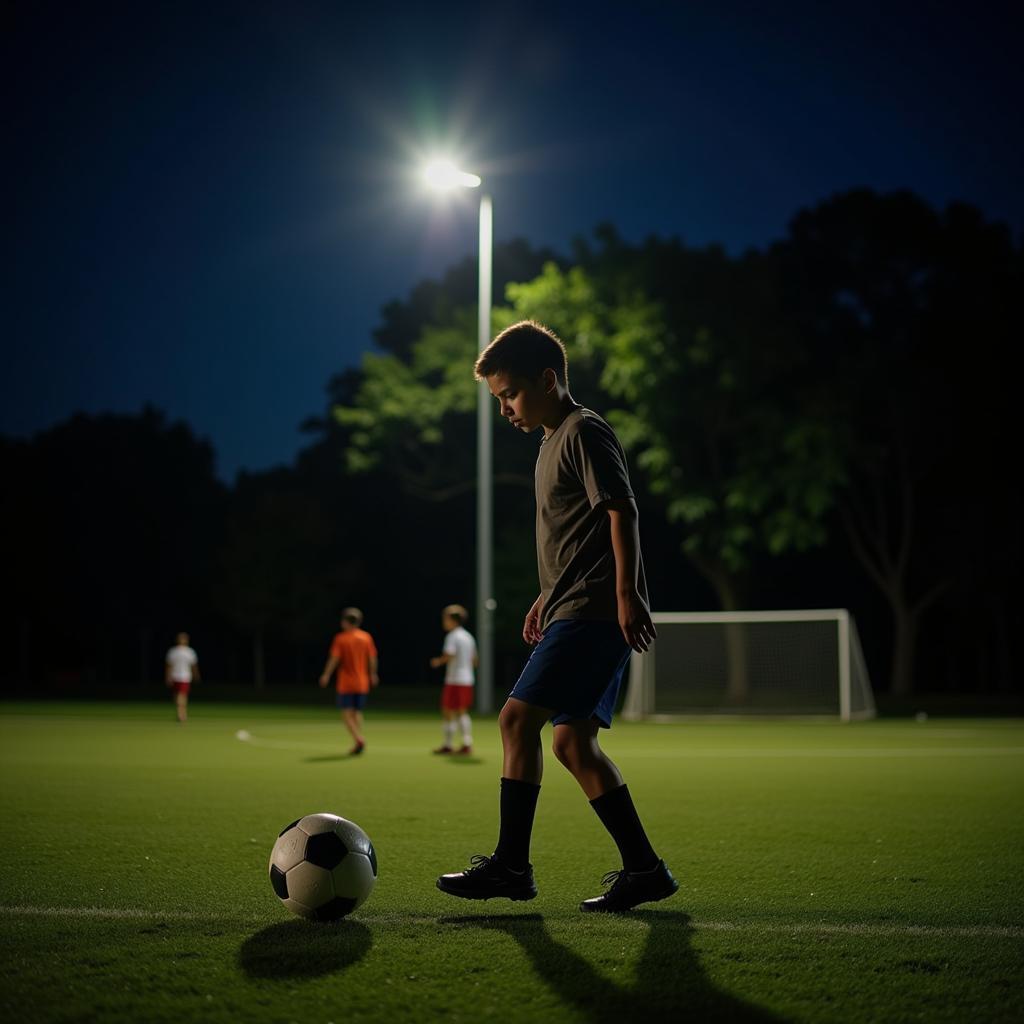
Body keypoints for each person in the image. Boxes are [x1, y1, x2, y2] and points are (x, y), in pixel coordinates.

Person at [437, 320, 677, 913]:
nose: (505, 410)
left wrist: (626, 594)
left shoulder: (584, 430)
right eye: (498, 400)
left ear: (547, 379)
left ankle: (511, 868)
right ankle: (645, 870)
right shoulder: (549, 442)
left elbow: (621, 512)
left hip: (595, 612)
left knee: (517, 721)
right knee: (573, 743)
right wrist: (548, 595)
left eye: (510, 395)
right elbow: (579, 533)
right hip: (572, 605)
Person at [319, 608, 379, 755]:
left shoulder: (341, 639)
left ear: (346, 622)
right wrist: (373, 674)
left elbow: (334, 658)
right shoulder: (366, 637)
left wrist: (326, 674)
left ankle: (358, 739)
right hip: (362, 681)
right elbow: (372, 658)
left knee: (346, 714)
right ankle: (357, 740)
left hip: (346, 682)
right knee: (357, 712)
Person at [429, 604, 478, 755]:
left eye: (445, 618)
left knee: (448, 711)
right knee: (462, 711)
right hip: (467, 679)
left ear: (452, 620)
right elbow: (475, 660)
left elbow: (449, 654)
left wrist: (438, 661)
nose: (444, 622)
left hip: (454, 679)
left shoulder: (452, 636)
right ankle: (466, 743)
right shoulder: (468, 636)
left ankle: (449, 744)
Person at [165, 631, 200, 723]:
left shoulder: (190, 652)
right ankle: (181, 713)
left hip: (185, 677)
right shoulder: (173, 651)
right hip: (175, 676)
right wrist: (168, 676)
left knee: (182, 695)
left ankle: (182, 715)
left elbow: (193, 666)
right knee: (177, 696)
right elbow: (169, 665)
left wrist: (196, 674)